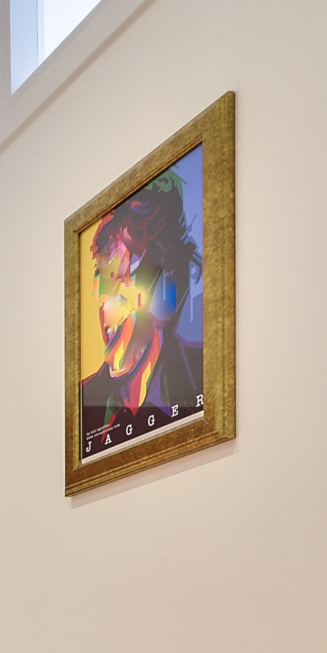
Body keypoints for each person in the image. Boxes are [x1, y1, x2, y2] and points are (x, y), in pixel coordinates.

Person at [79, 162, 203, 459]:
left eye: (121, 282)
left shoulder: (199, 380)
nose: (104, 306)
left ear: (165, 295)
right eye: (101, 279)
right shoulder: (84, 405)